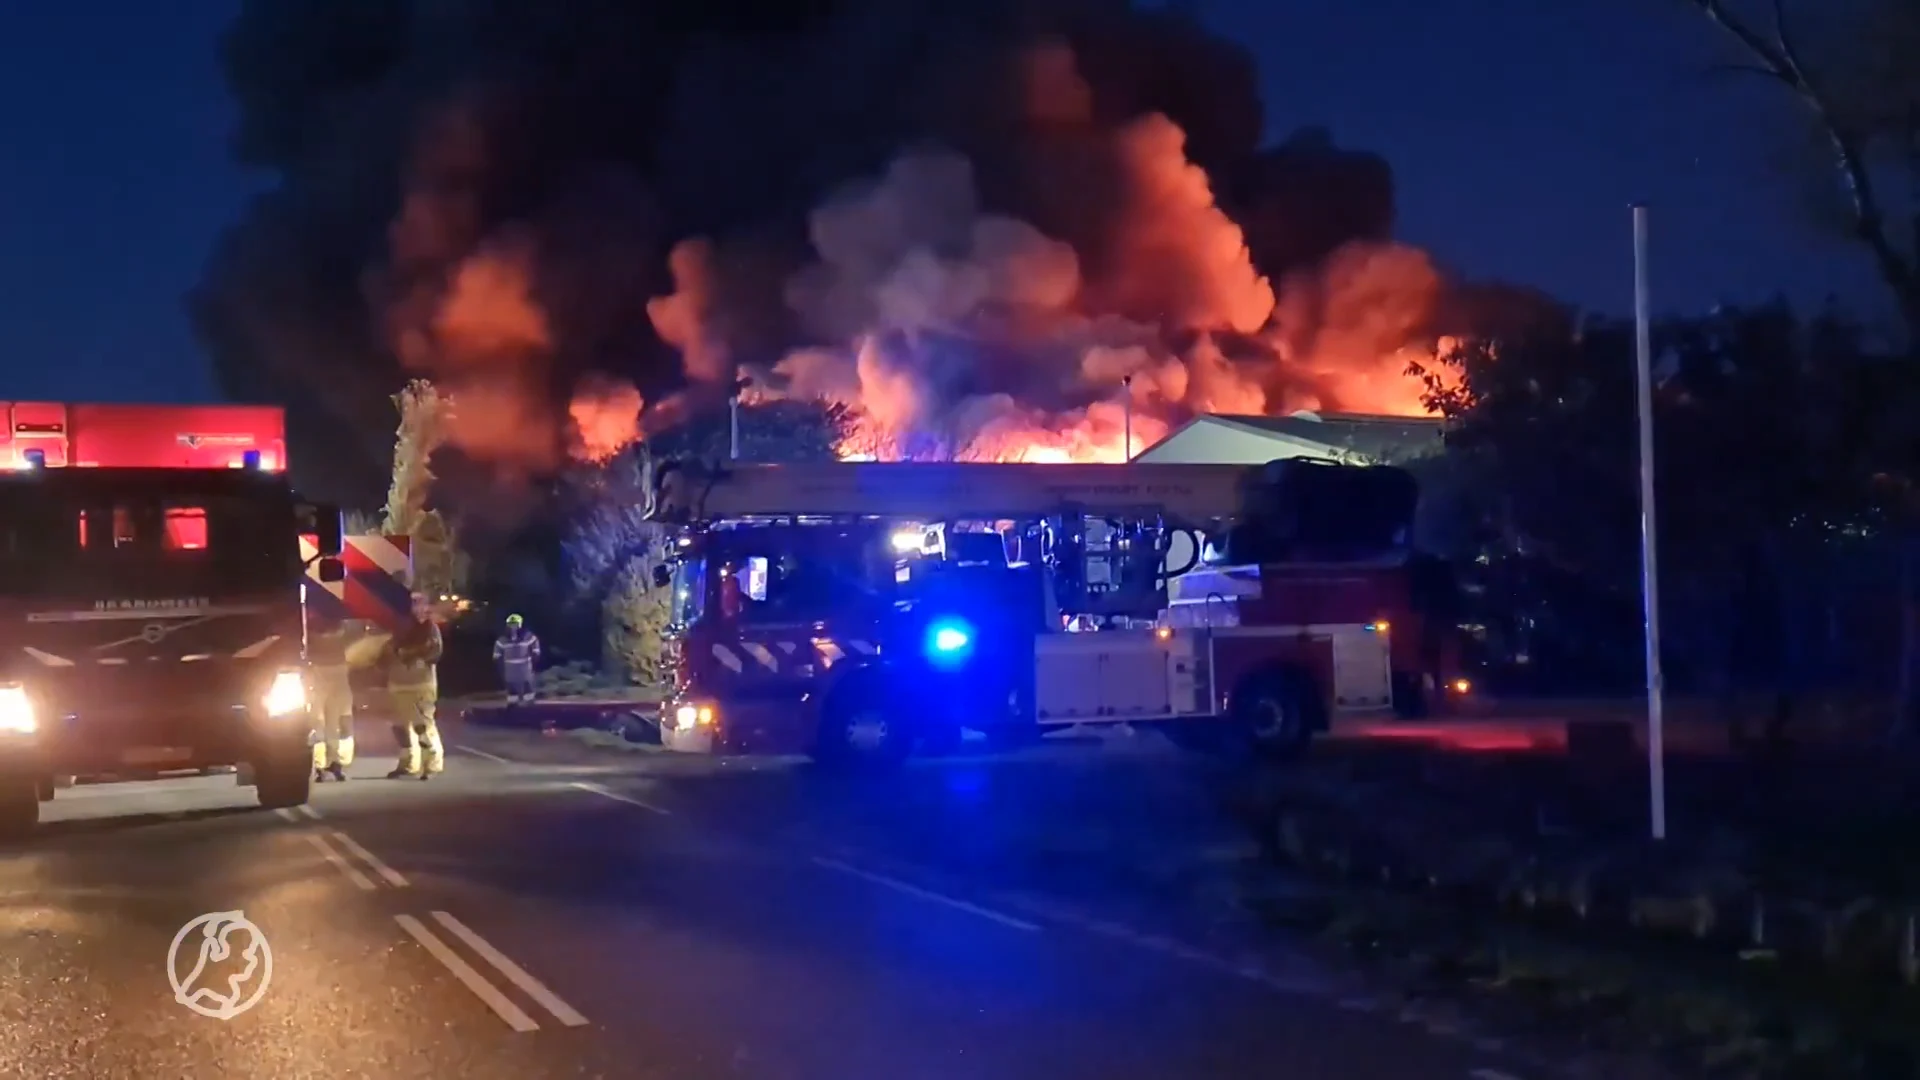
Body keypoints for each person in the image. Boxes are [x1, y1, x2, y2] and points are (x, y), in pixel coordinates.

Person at [384, 592, 445, 780]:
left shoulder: (429, 628)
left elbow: (435, 652)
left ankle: (431, 765)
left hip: (421, 684)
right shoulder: (398, 628)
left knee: (424, 725)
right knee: (400, 727)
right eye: (413, 604)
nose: (417, 608)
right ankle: (408, 763)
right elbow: (387, 653)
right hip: (397, 683)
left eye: (420, 604)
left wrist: (416, 656)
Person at [307, 613, 355, 782]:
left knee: (320, 723)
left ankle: (322, 766)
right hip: (335, 675)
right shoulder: (344, 628)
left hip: (319, 674)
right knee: (335, 724)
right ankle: (335, 763)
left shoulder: (309, 627)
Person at [493, 614, 542, 705]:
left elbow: (535, 648)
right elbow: (497, 655)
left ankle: (530, 705)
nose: (513, 627)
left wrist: (535, 660)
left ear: (520, 625)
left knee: (528, 688)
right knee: (512, 690)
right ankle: (513, 707)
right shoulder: (502, 640)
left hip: (525, 668)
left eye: (515, 624)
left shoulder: (528, 637)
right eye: (511, 624)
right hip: (510, 669)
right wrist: (499, 667)